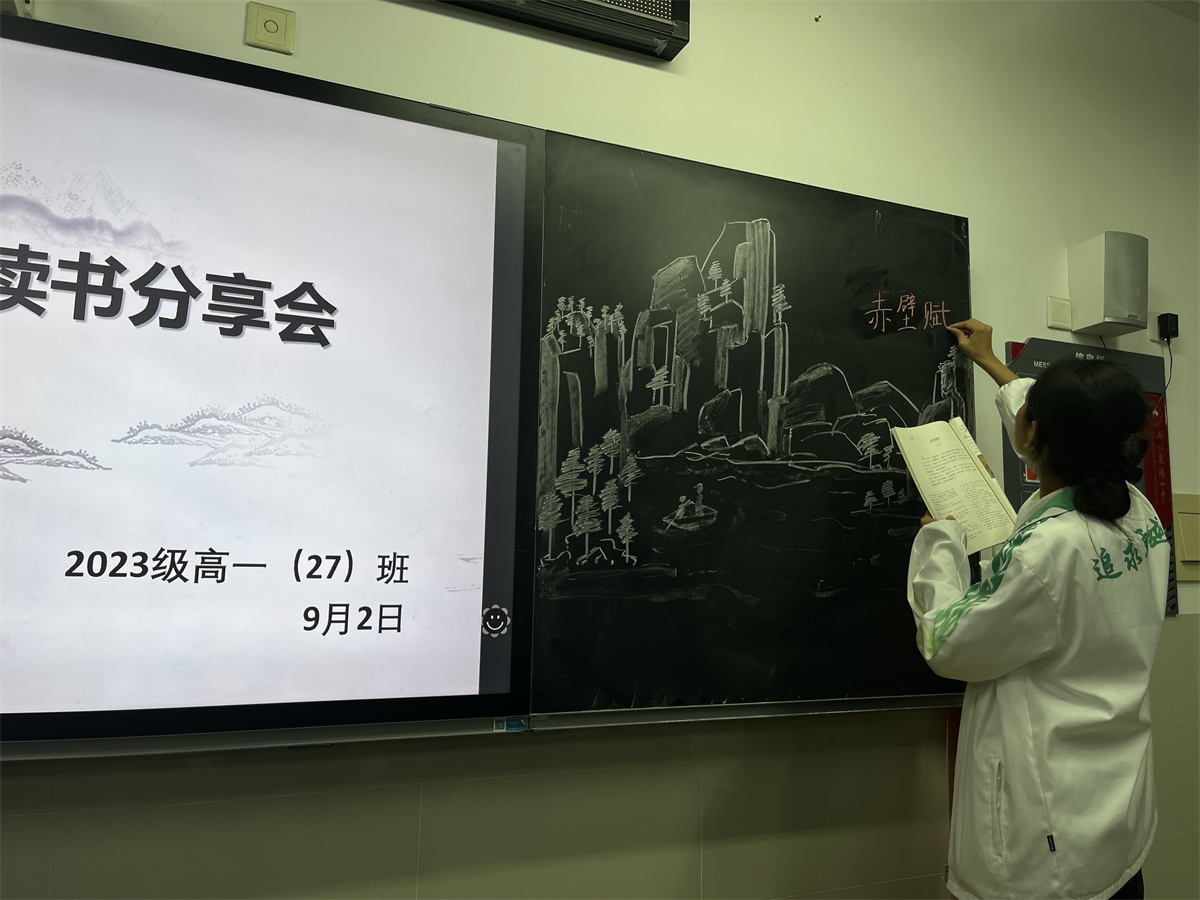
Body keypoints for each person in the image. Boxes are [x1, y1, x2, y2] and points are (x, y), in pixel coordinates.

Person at [906, 318, 1169, 900]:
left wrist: (940, 543)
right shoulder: (1138, 512)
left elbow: (950, 644)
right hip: (1114, 815)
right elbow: (1067, 424)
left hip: (1047, 839)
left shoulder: (1047, 551)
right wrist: (993, 364)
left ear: (1035, 434)